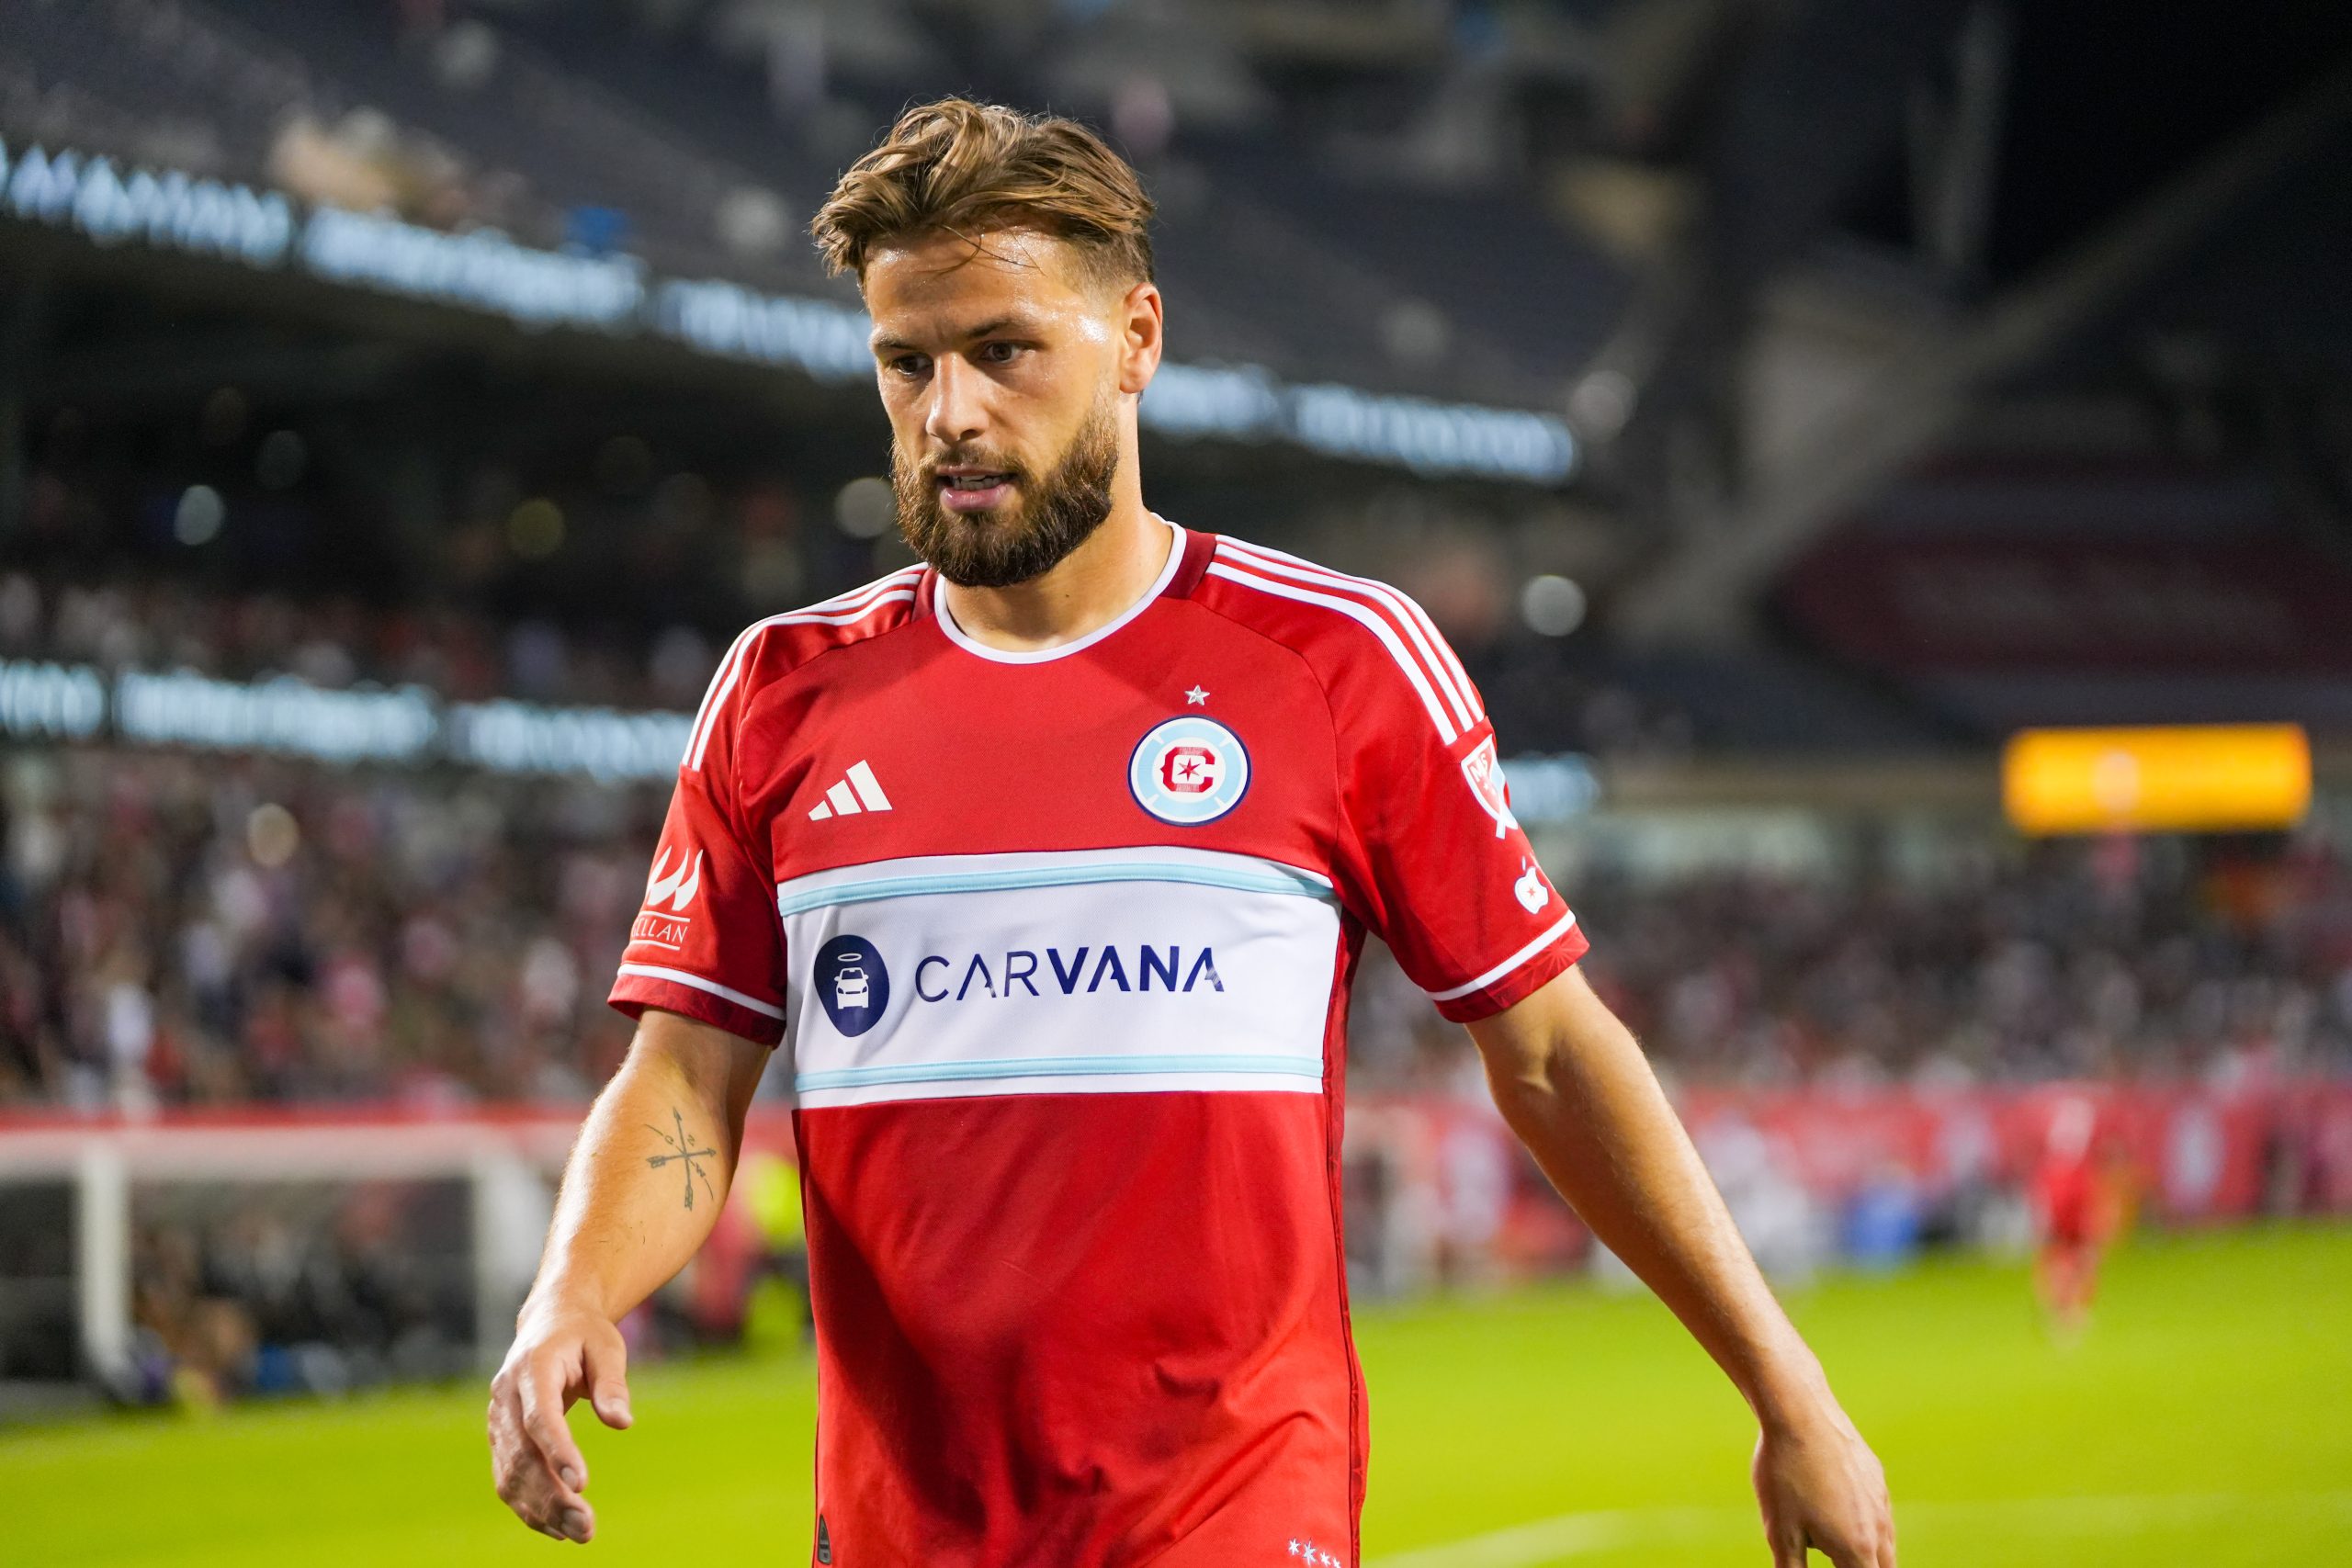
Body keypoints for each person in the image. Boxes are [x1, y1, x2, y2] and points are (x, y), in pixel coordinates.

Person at [486, 98, 1895, 1568]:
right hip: (904, 1530)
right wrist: (571, 1289)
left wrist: (1785, 1385)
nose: (950, 410)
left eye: (1005, 350)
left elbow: (1549, 1050)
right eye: (907, 362)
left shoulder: (1340, 663)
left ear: (1137, 339)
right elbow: (686, 1079)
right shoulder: (783, 692)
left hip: (1234, 1510)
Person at [2030, 1097, 2108, 1337]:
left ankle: (2068, 1313)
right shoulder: (2067, 1167)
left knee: (2068, 1265)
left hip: (2065, 1220)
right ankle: (2068, 1313)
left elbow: (2052, 1197)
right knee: (2071, 1265)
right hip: (2066, 1220)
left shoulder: (2060, 1167)